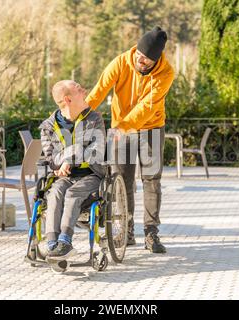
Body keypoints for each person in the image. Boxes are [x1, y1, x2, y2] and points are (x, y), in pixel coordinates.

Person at [86, 26, 175, 254]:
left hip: (152, 128)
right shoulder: (122, 61)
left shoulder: (166, 73)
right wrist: (80, 116)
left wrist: (122, 127)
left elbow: (147, 107)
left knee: (151, 180)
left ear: (156, 61)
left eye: (146, 60)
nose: (140, 61)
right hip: (121, 129)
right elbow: (99, 91)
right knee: (122, 180)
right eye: (139, 56)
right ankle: (126, 230)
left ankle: (151, 232)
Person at [39, 80, 106, 260]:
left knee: (72, 193)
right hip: (63, 176)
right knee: (55, 193)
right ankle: (52, 243)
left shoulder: (94, 119)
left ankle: (65, 241)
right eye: (78, 88)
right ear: (68, 99)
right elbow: (51, 158)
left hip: (91, 175)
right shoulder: (48, 126)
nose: (83, 89)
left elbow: (96, 152)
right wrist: (65, 160)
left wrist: (69, 158)